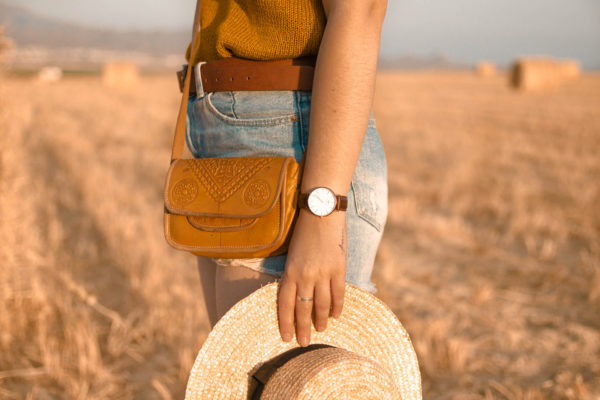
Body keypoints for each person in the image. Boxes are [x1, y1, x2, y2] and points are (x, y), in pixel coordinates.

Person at [185, 0, 388, 348]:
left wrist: (322, 208)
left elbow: (360, 8)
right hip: (223, 123)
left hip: (295, 140)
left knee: (297, 381)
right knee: (246, 378)